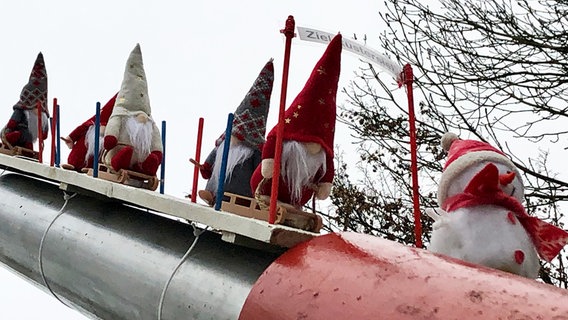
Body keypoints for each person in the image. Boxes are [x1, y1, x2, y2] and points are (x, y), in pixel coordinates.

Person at [427, 132, 568, 278]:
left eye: (507, 172)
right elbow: (442, 250)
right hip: (472, 281)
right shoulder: (458, 218)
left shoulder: (519, 218)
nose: (507, 178)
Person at [250, 34, 342, 209]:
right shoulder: (289, 132)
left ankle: (290, 207)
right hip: (269, 187)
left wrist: (325, 184)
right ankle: (270, 200)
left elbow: (328, 168)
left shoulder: (323, 152)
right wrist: (269, 162)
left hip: (297, 198)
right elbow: (272, 140)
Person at [198, 59, 274, 205]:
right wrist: (205, 168)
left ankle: (232, 199)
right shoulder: (222, 147)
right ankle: (211, 195)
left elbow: (261, 174)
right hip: (215, 192)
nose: (235, 136)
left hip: (242, 197)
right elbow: (208, 166)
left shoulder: (254, 153)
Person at [103, 44, 163, 176]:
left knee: (150, 159)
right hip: (120, 151)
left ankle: (145, 166)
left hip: (139, 158)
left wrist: (157, 152)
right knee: (125, 152)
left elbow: (156, 141)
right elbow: (113, 127)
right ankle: (120, 161)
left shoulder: (149, 121)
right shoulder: (120, 113)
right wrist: (111, 137)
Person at [1, 52, 49, 151]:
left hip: (28, 139)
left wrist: (43, 130)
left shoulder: (43, 118)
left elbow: (43, 136)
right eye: (36, 107)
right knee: (18, 135)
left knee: (28, 140)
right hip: (16, 135)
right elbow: (11, 124)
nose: (37, 110)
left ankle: (28, 153)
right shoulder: (21, 111)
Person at [61, 93, 117, 171]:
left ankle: (91, 168)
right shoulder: (91, 124)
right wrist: (71, 137)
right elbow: (82, 128)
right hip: (78, 155)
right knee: (79, 153)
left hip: (95, 166)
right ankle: (72, 164)